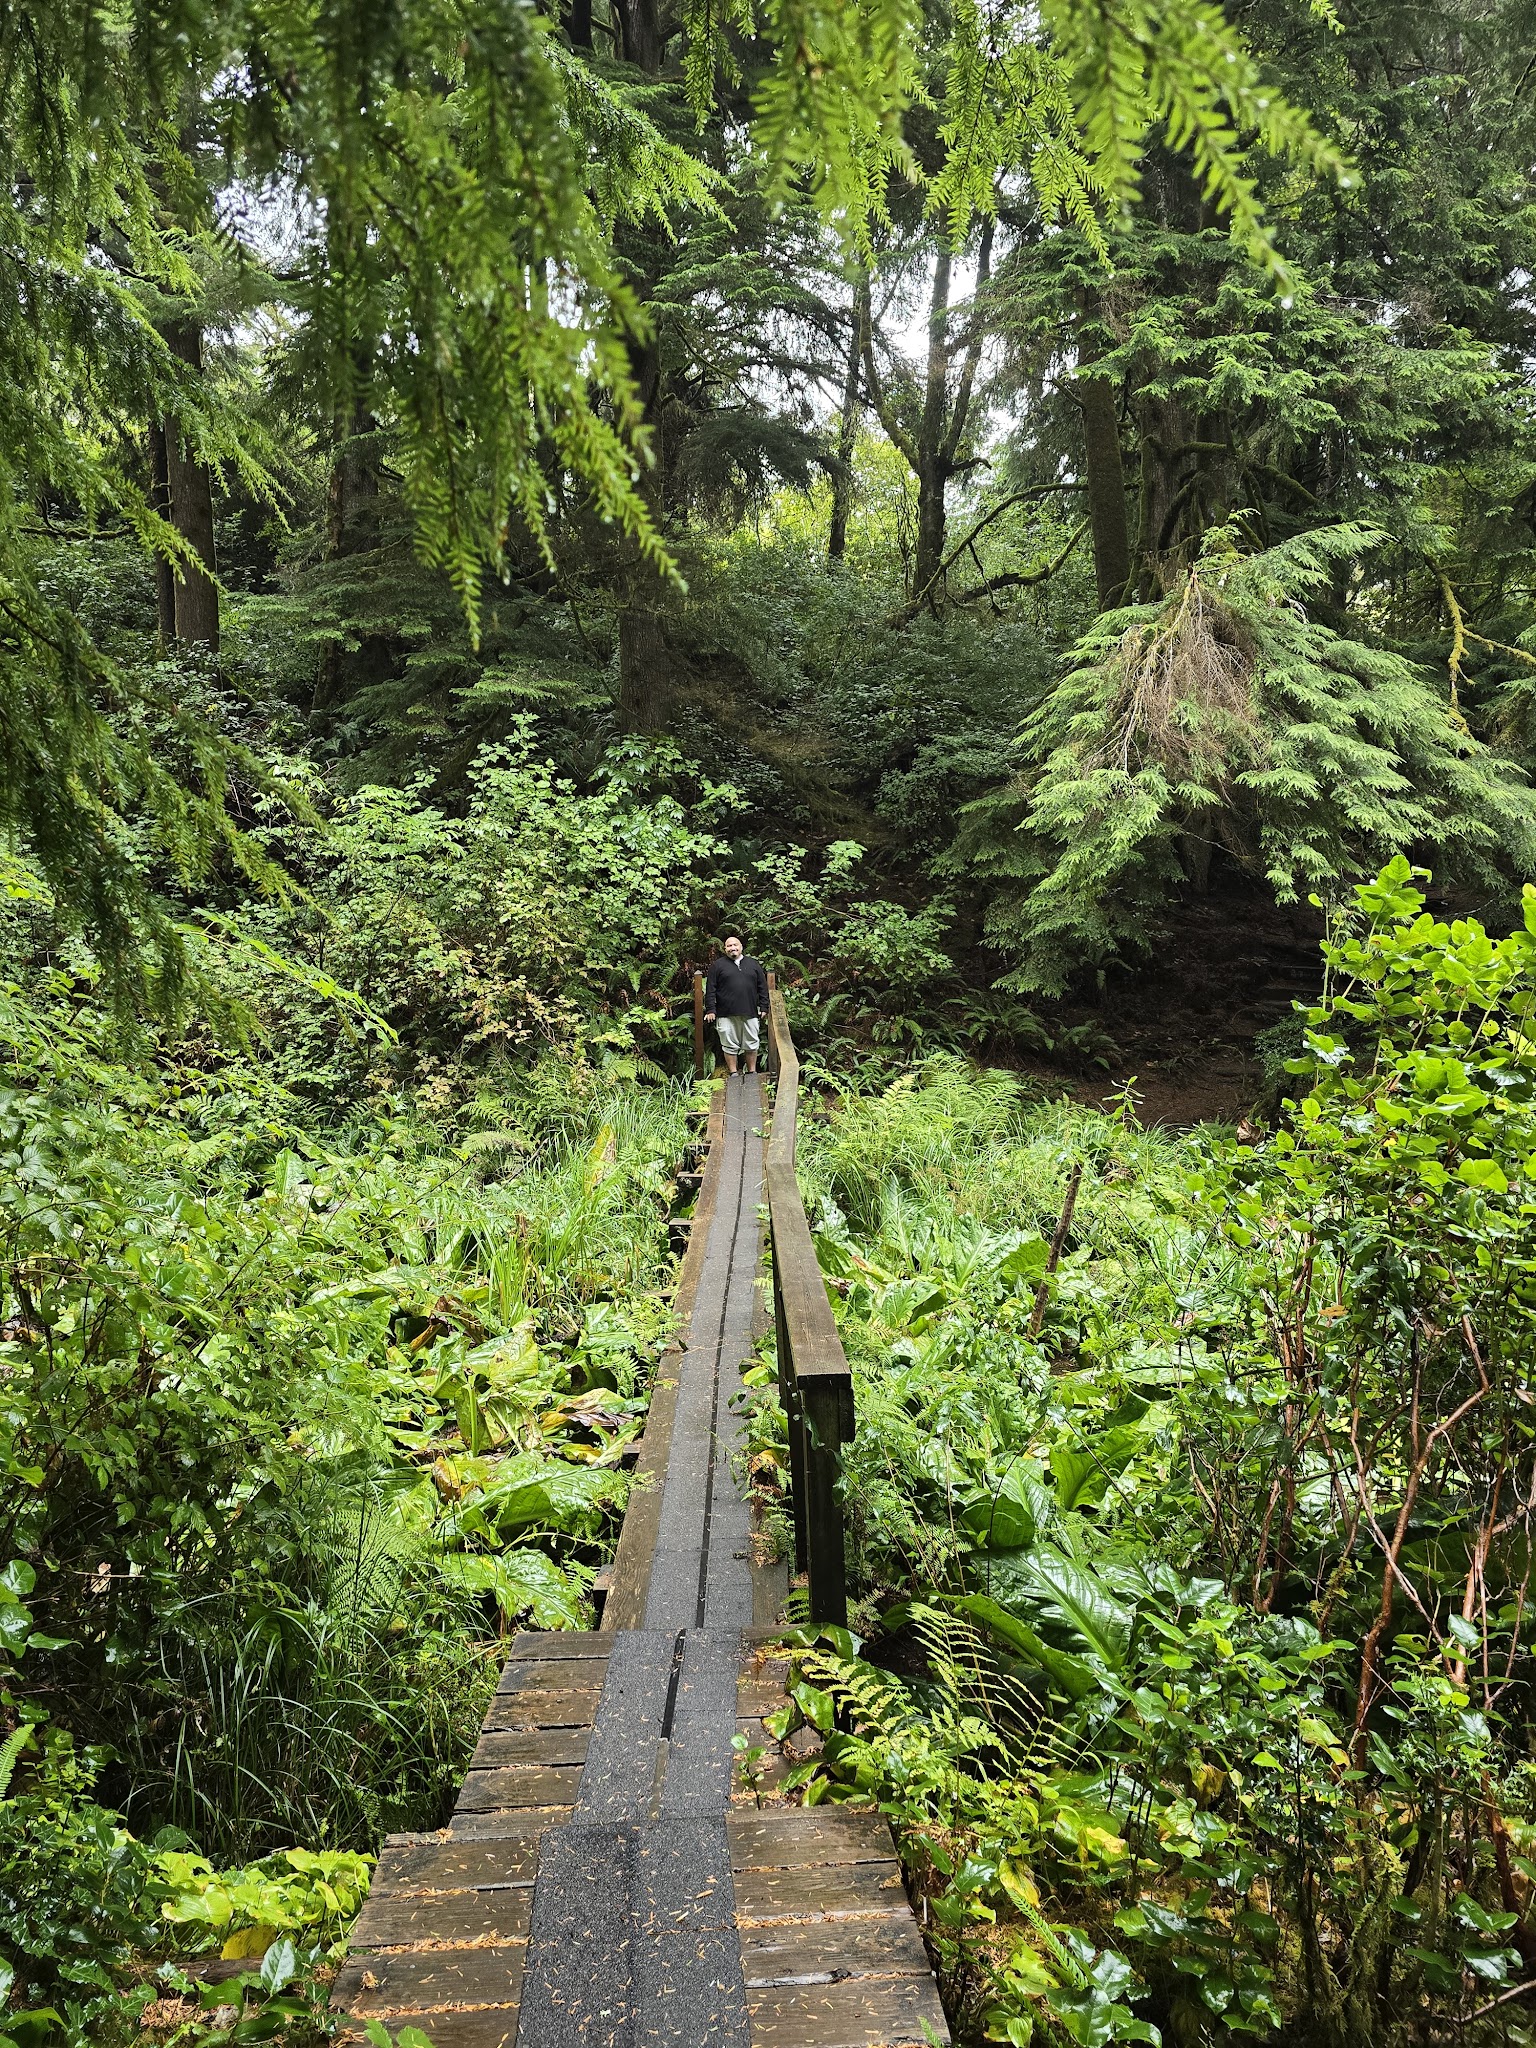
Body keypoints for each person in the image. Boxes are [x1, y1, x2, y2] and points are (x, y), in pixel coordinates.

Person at [703, 934, 768, 1077]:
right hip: (725, 1013)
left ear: (741, 947)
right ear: (725, 949)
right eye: (729, 946)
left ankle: (752, 1072)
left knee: (751, 1042)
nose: (733, 948)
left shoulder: (753, 964)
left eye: (735, 945)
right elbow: (710, 989)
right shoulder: (717, 966)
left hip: (749, 1011)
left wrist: (764, 1007)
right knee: (728, 1043)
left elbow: (762, 987)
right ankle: (733, 1073)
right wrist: (710, 1009)